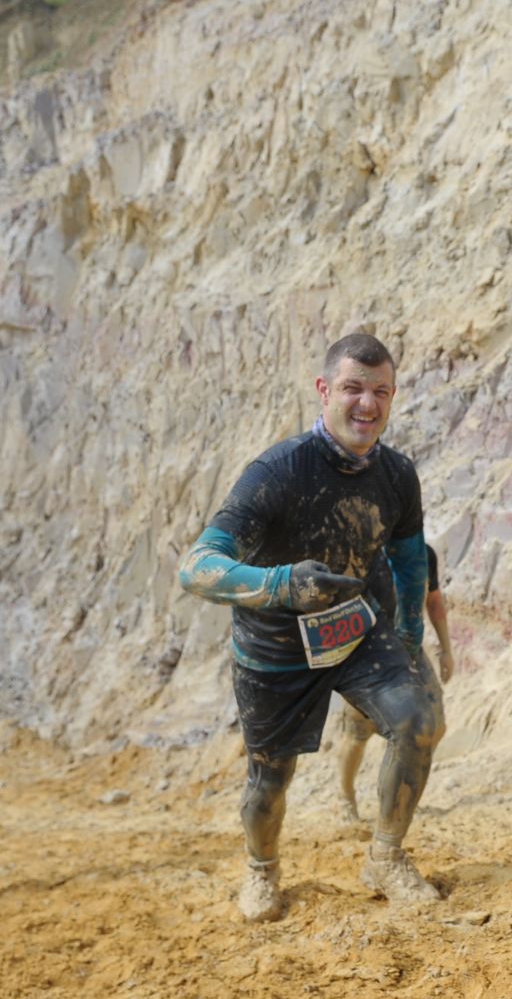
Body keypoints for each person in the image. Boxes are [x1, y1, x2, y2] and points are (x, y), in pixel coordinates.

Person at [178, 333, 446, 921]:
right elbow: (195, 568)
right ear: (325, 391)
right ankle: (262, 870)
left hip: (358, 630)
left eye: (380, 391)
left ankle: (386, 856)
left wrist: (409, 638)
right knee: (269, 781)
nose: (366, 405)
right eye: (352, 388)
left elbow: (407, 556)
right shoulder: (277, 472)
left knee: (420, 721)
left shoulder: (397, 474)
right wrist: (278, 585)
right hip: (274, 643)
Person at [336, 541, 454, 826]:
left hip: (411, 649)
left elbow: (434, 601)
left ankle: (401, 797)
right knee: (357, 730)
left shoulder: (423, 553)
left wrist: (446, 649)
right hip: (368, 651)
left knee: (434, 726)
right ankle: (346, 799)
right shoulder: (362, 552)